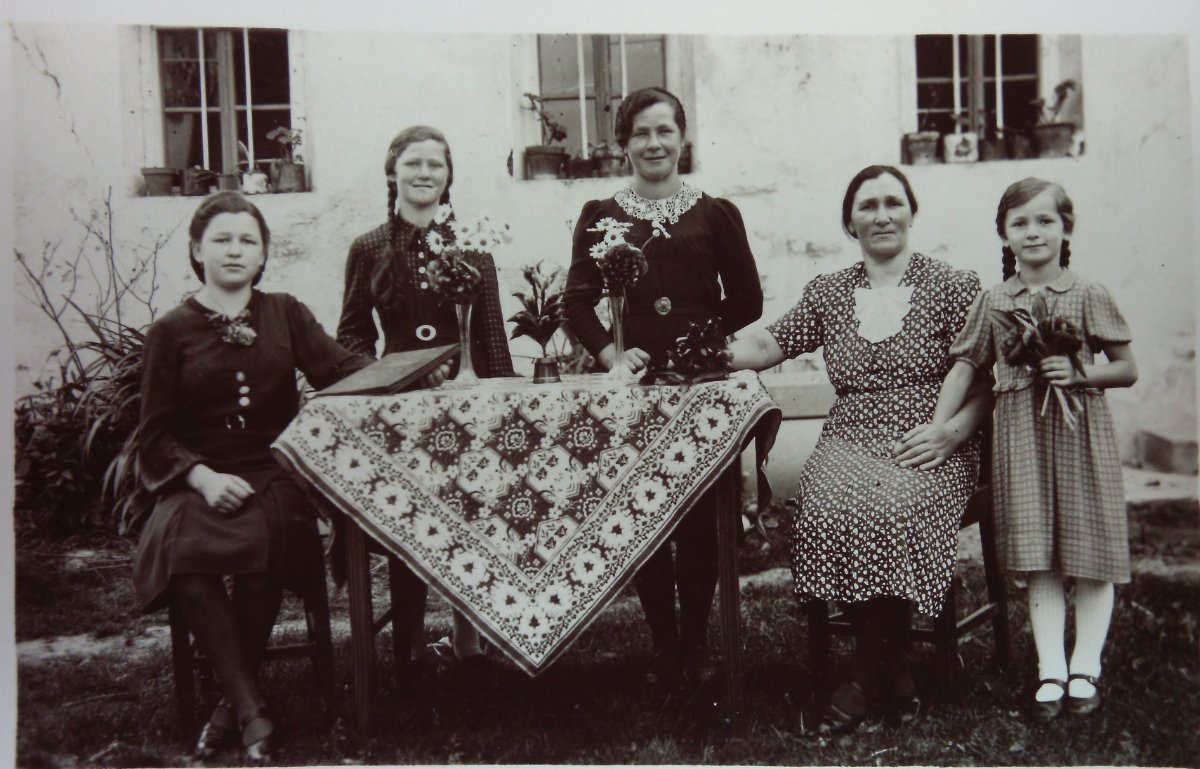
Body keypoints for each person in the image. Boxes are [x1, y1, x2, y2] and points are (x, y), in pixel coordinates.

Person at [727, 165, 991, 734]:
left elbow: (985, 379)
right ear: (850, 222)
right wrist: (703, 352)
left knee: (894, 506)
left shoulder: (954, 285)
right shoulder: (829, 291)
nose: (882, 216)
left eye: (893, 203)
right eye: (868, 206)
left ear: (912, 212)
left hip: (931, 436)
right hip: (850, 436)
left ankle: (862, 678)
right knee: (825, 509)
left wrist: (952, 433)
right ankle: (891, 667)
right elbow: (770, 343)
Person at [132, 191, 369, 762]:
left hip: (273, 472)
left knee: (264, 553)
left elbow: (342, 369)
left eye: (247, 240)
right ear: (198, 250)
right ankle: (250, 708)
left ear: (263, 254)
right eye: (221, 240)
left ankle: (233, 710)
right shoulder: (170, 331)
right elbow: (154, 434)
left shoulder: (284, 312)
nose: (235, 250)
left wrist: (415, 370)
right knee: (186, 559)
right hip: (196, 479)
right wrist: (202, 478)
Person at [563, 87, 763, 687]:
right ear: (623, 144)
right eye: (641, 133)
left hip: (701, 386)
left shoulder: (715, 212)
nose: (654, 144)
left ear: (682, 138)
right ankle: (663, 644)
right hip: (637, 390)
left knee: (701, 517)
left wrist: (703, 345)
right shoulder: (602, 215)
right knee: (641, 512)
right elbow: (577, 303)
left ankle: (696, 641)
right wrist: (613, 355)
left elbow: (747, 298)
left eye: (665, 131)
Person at [932, 177, 1137, 719]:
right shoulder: (995, 300)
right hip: (1021, 435)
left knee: (1089, 548)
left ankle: (1084, 668)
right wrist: (938, 425)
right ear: (1004, 234)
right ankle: (1051, 669)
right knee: (1036, 549)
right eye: (1019, 222)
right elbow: (966, 366)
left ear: (1066, 228)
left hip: (1080, 433)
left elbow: (1126, 368)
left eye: (1045, 220)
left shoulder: (1088, 292)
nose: (1033, 232)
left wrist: (1080, 373)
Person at [337, 125, 515, 670]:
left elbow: (492, 335)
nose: (424, 173)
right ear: (392, 172)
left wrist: (501, 402)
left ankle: (468, 638)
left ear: (448, 176)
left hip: (466, 400)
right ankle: (411, 643)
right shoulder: (368, 247)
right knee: (408, 518)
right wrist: (389, 378)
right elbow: (352, 335)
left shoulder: (472, 243)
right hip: (401, 407)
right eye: (413, 163)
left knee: (474, 515)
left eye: (435, 164)